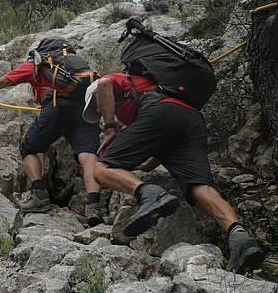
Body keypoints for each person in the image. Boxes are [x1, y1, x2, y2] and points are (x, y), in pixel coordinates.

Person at [82, 71, 266, 274]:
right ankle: (240, 238)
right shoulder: (148, 90)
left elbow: (105, 83)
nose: (100, 112)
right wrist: (150, 162)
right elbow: (162, 135)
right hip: (189, 119)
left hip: (158, 111)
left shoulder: (113, 82)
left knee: (100, 169)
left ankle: (150, 195)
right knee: (199, 187)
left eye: (97, 108)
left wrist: (110, 128)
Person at [0, 49, 105, 224]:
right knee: (88, 154)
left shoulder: (38, 65)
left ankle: (39, 195)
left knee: (29, 148)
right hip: (86, 109)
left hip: (55, 109)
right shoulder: (79, 67)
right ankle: (94, 207)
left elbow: (0, 82)